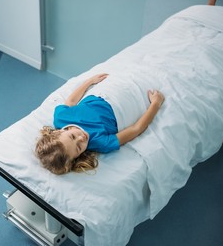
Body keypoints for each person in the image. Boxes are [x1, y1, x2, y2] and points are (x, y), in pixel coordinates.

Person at [35, 73, 165, 175]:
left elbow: (72, 101)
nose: (81, 138)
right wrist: (155, 104)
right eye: (79, 148)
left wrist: (89, 82)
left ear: (58, 131)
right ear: (78, 156)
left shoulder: (60, 118)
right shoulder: (101, 143)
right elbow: (136, 129)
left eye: (72, 137)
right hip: (122, 104)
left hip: (105, 91)